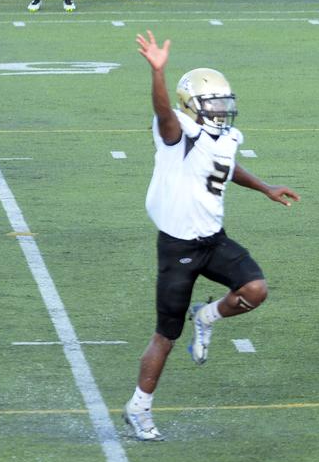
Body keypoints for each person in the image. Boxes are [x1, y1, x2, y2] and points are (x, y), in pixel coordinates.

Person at [123, 30, 300, 441]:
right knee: (165, 337)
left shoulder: (227, 136)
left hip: (213, 239)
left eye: (224, 102)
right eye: (214, 103)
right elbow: (164, 112)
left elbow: (226, 165)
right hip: (178, 247)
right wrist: (158, 73)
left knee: (255, 290)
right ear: (192, 105)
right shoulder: (177, 131)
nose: (222, 110)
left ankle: (208, 316)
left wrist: (266, 187)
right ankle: (139, 407)